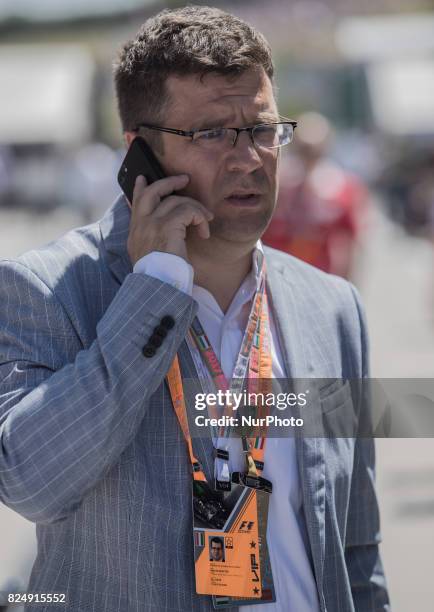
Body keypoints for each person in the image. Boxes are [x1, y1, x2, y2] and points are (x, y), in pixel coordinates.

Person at [0, 6, 389, 612]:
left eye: (262, 129)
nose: (249, 158)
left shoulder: (332, 308)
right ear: (139, 156)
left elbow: (356, 548)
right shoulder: (47, 290)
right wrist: (153, 288)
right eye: (211, 133)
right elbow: (30, 482)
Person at [263, 112, 369, 280]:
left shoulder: (342, 187)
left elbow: (349, 245)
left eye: (314, 150)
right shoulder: (275, 183)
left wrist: (345, 287)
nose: (308, 156)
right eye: (303, 148)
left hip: (320, 278)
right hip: (276, 277)